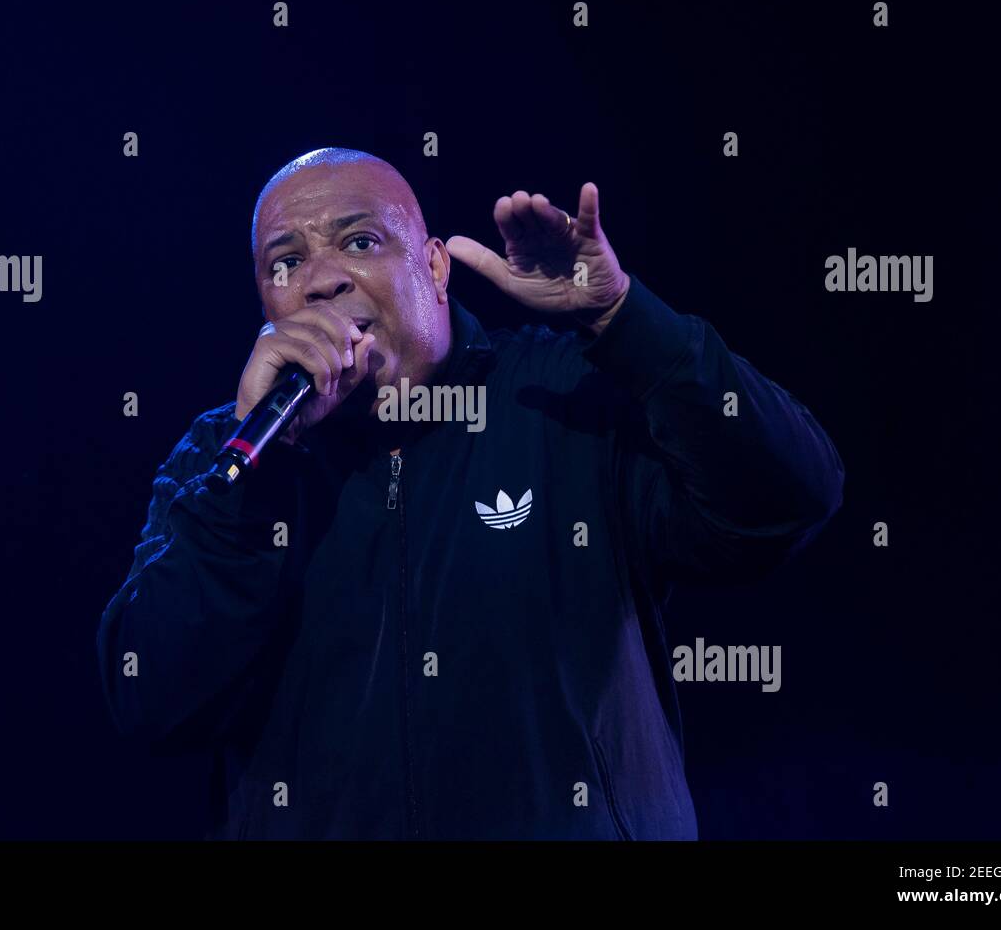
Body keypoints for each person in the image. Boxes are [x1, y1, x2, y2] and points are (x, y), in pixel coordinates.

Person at [96, 147, 845, 839]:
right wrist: (248, 487)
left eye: (360, 242)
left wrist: (625, 321)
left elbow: (790, 496)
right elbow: (150, 700)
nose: (322, 278)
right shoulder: (224, 459)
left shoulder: (563, 398)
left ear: (435, 268)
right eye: (286, 261)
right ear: (267, 303)